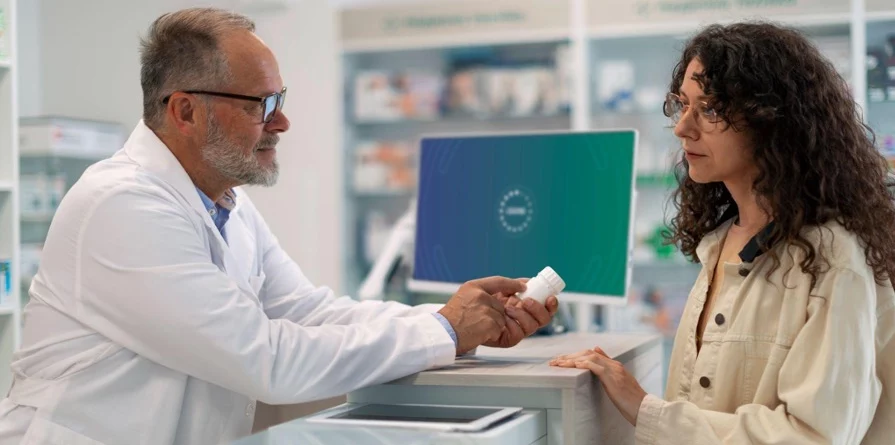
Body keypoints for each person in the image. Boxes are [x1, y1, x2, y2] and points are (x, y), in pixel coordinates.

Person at [0, 8, 558, 445]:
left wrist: (452, 320)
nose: (282, 122)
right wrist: (443, 333)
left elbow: (311, 312)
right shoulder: (120, 205)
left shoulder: (227, 204)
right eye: (260, 104)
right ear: (185, 111)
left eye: (279, 100)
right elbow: (267, 360)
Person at [551, 22, 895, 444]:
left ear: (772, 121)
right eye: (682, 105)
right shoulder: (721, 243)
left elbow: (816, 437)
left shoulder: (833, 258)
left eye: (710, 109)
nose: (682, 128)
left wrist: (646, 410)